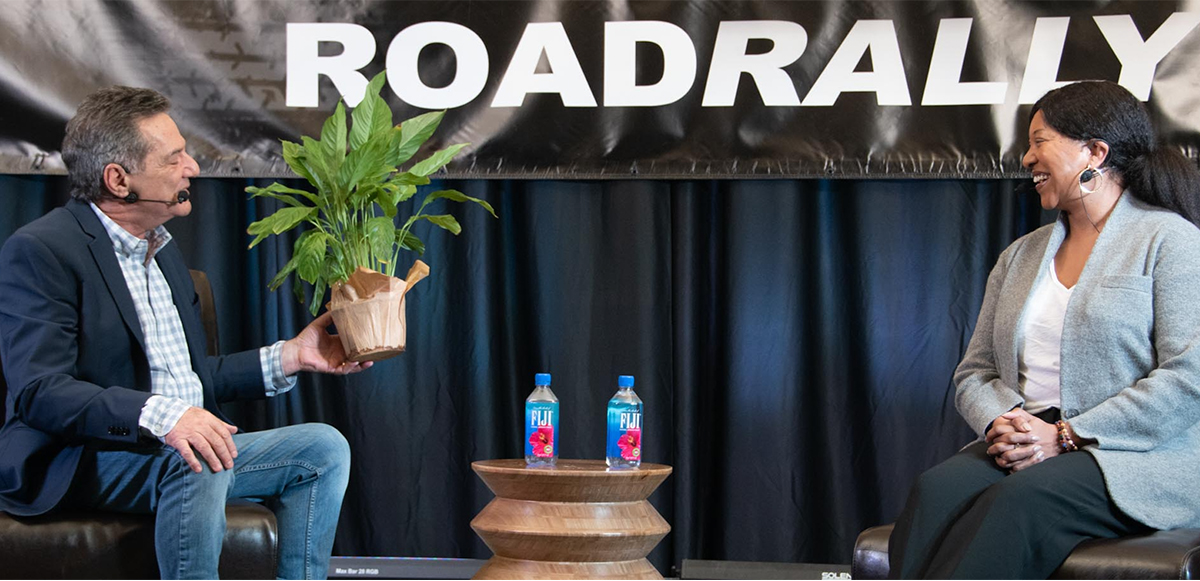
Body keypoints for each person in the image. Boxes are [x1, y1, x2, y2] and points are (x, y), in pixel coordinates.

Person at [0, 86, 372, 579]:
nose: (193, 168)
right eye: (174, 159)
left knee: (323, 448)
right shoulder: (43, 251)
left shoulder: (163, 252)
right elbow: (40, 392)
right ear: (119, 179)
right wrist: (168, 418)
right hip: (83, 458)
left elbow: (194, 379)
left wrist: (292, 356)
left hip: (172, 453)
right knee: (197, 454)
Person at [888, 80, 1200, 578]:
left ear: (1095, 152)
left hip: (1134, 454)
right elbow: (975, 371)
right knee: (934, 492)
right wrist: (1001, 423)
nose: (1027, 158)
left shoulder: (1171, 241)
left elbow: (1190, 377)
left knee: (1021, 502)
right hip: (1029, 438)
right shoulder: (1021, 255)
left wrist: (1067, 435)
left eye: (1039, 141)